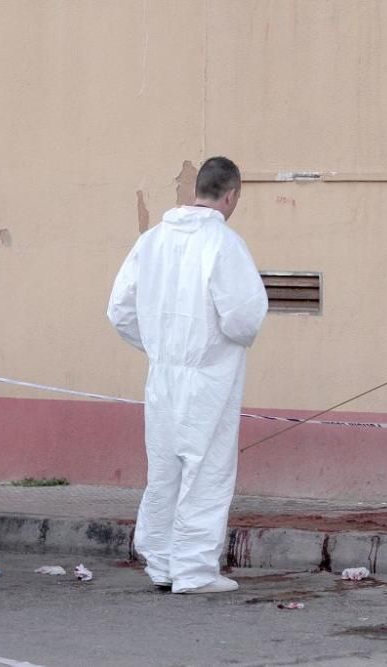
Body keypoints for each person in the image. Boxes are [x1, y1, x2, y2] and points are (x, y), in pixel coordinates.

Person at [107, 156, 268, 594]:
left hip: (163, 374)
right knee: (206, 470)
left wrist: (158, 345)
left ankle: (160, 562)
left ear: (196, 189)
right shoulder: (225, 244)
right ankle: (195, 570)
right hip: (208, 373)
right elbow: (244, 318)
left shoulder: (152, 241)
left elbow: (120, 310)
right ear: (231, 195)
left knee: (164, 470)